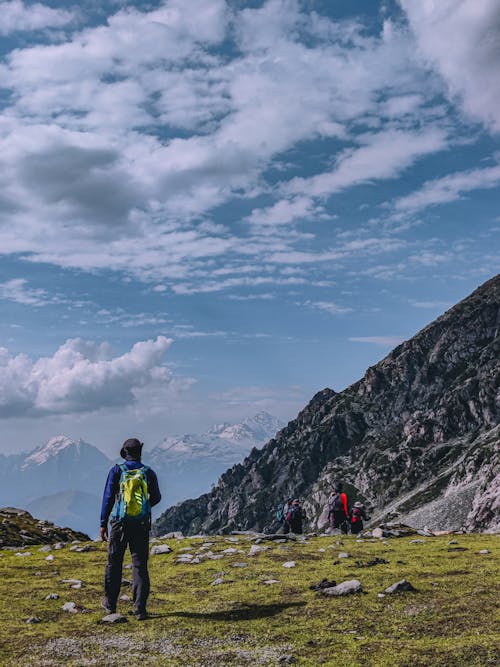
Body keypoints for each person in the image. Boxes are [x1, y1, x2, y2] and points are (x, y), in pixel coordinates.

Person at [100, 438, 161, 620]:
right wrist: (143, 507)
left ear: (124, 452)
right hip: (141, 524)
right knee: (140, 566)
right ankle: (140, 609)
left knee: (114, 563)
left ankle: (110, 606)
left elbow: (108, 497)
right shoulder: (148, 473)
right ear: (140, 452)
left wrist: (103, 523)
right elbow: (157, 497)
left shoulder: (117, 471)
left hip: (119, 523)